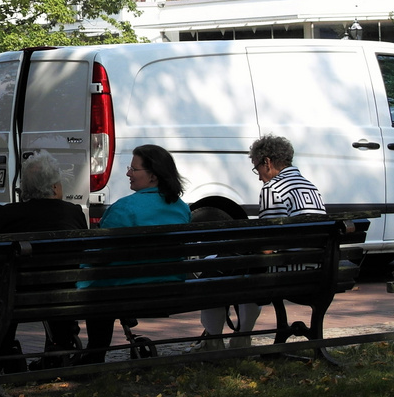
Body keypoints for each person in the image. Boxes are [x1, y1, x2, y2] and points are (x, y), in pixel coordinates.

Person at [199, 135, 327, 349]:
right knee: (236, 268)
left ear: (267, 162)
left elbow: (268, 246)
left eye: (256, 168)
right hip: (316, 271)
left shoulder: (273, 189)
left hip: (286, 272)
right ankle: (241, 337)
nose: (258, 176)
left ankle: (214, 340)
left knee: (215, 268)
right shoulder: (310, 187)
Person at [80, 144, 192, 363]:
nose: (128, 173)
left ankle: (95, 353)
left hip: (127, 292)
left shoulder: (123, 209)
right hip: (169, 288)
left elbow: (99, 255)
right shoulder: (181, 208)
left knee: (98, 286)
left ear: (153, 175)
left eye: (133, 169)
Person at [0, 152, 88, 361]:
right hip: (62, 292)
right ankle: (60, 346)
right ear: (55, 187)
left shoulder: (5, 214)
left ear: (25, 189)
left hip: (14, 294)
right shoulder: (73, 213)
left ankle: (3, 351)